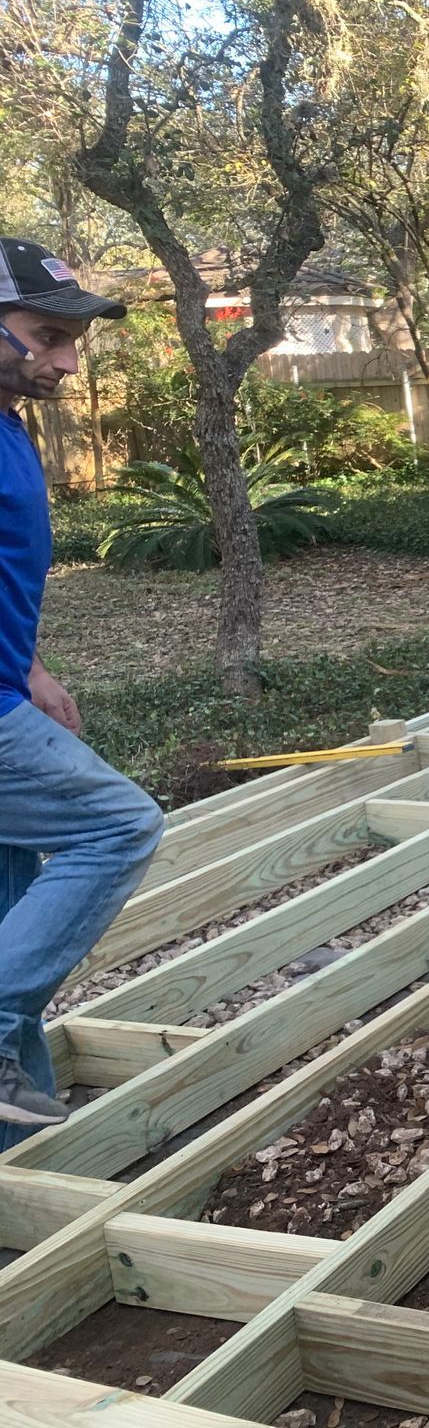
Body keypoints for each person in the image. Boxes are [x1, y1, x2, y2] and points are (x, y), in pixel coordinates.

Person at [0, 238, 164, 1141]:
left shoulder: (8, 421)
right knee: (119, 822)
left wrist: (25, 662)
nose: (65, 361)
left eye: (73, 341)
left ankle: (17, 1150)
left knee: (10, 913)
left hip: (7, 689)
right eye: (44, 337)